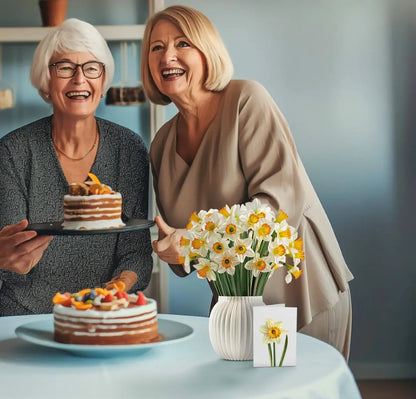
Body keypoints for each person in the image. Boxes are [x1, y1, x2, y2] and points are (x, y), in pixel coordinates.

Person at [141, 5, 354, 360]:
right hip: (233, 308)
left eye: (183, 44)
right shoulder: (161, 144)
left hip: (298, 296)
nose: (169, 56)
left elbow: (278, 207)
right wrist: (172, 246)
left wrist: (193, 242)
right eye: (157, 47)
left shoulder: (246, 100)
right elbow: (183, 249)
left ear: (207, 52)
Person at [0, 18, 152, 316]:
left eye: (91, 67)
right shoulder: (12, 152)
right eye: (65, 67)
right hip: (23, 317)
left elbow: (137, 253)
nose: (79, 79)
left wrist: (121, 283)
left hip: (101, 316)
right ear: (47, 79)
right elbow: (10, 259)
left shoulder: (130, 149)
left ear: (103, 78)